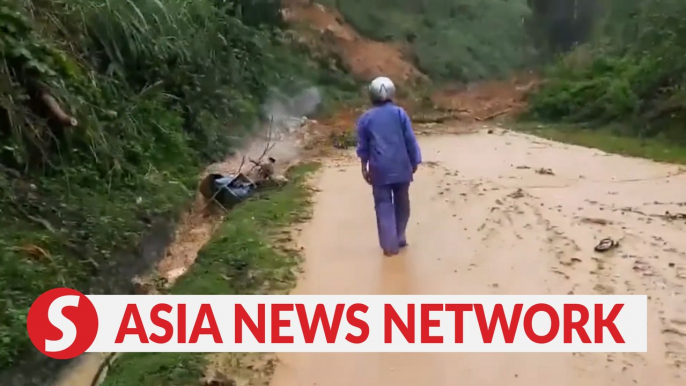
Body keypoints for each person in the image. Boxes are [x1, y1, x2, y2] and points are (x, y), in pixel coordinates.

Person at [356, 76, 422, 256]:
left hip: (379, 169)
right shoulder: (400, 114)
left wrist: (364, 167)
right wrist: (415, 160)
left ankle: (389, 246)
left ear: (371, 95)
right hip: (401, 165)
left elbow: (363, 146)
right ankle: (400, 235)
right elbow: (410, 139)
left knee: (383, 204)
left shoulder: (365, 118)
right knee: (402, 202)